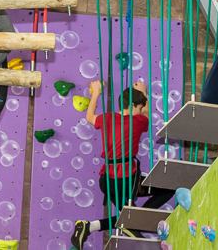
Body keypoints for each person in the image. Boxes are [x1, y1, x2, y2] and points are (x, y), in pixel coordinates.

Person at [71, 80, 174, 248]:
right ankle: (132, 219)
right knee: (135, 217)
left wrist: (96, 93)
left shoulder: (106, 118)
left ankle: (89, 226)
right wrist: (144, 93)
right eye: (140, 108)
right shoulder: (138, 122)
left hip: (107, 181)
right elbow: (146, 114)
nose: (141, 111)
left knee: (129, 219)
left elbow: (89, 117)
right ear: (134, 106)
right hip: (125, 180)